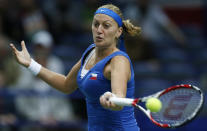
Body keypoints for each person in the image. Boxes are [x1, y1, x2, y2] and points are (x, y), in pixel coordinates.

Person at [10, 4, 141, 131]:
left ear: (118, 32)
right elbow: (66, 85)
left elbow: (119, 96)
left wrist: (112, 99)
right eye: (96, 24)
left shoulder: (119, 60)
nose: (99, 30)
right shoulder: (90, 51)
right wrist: (31, 64)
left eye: (106, 26)